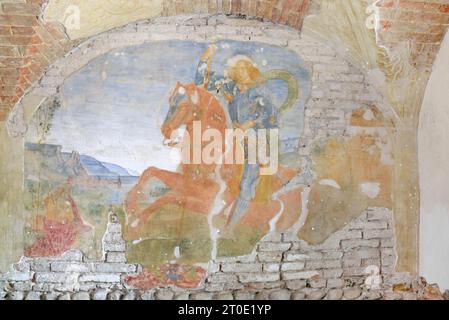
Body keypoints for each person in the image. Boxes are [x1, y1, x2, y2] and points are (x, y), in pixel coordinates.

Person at [194, 44, 279, 230]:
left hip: (258, 139)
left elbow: (271, 112)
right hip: (237, 138)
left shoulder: (259, 90)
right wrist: (205, 57)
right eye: (236, 68)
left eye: (243, 67)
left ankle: (230, 228)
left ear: (250, 69)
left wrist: (249, 124)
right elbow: (201, 82)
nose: (239, 71)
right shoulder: (230, 88)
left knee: (247, 183)